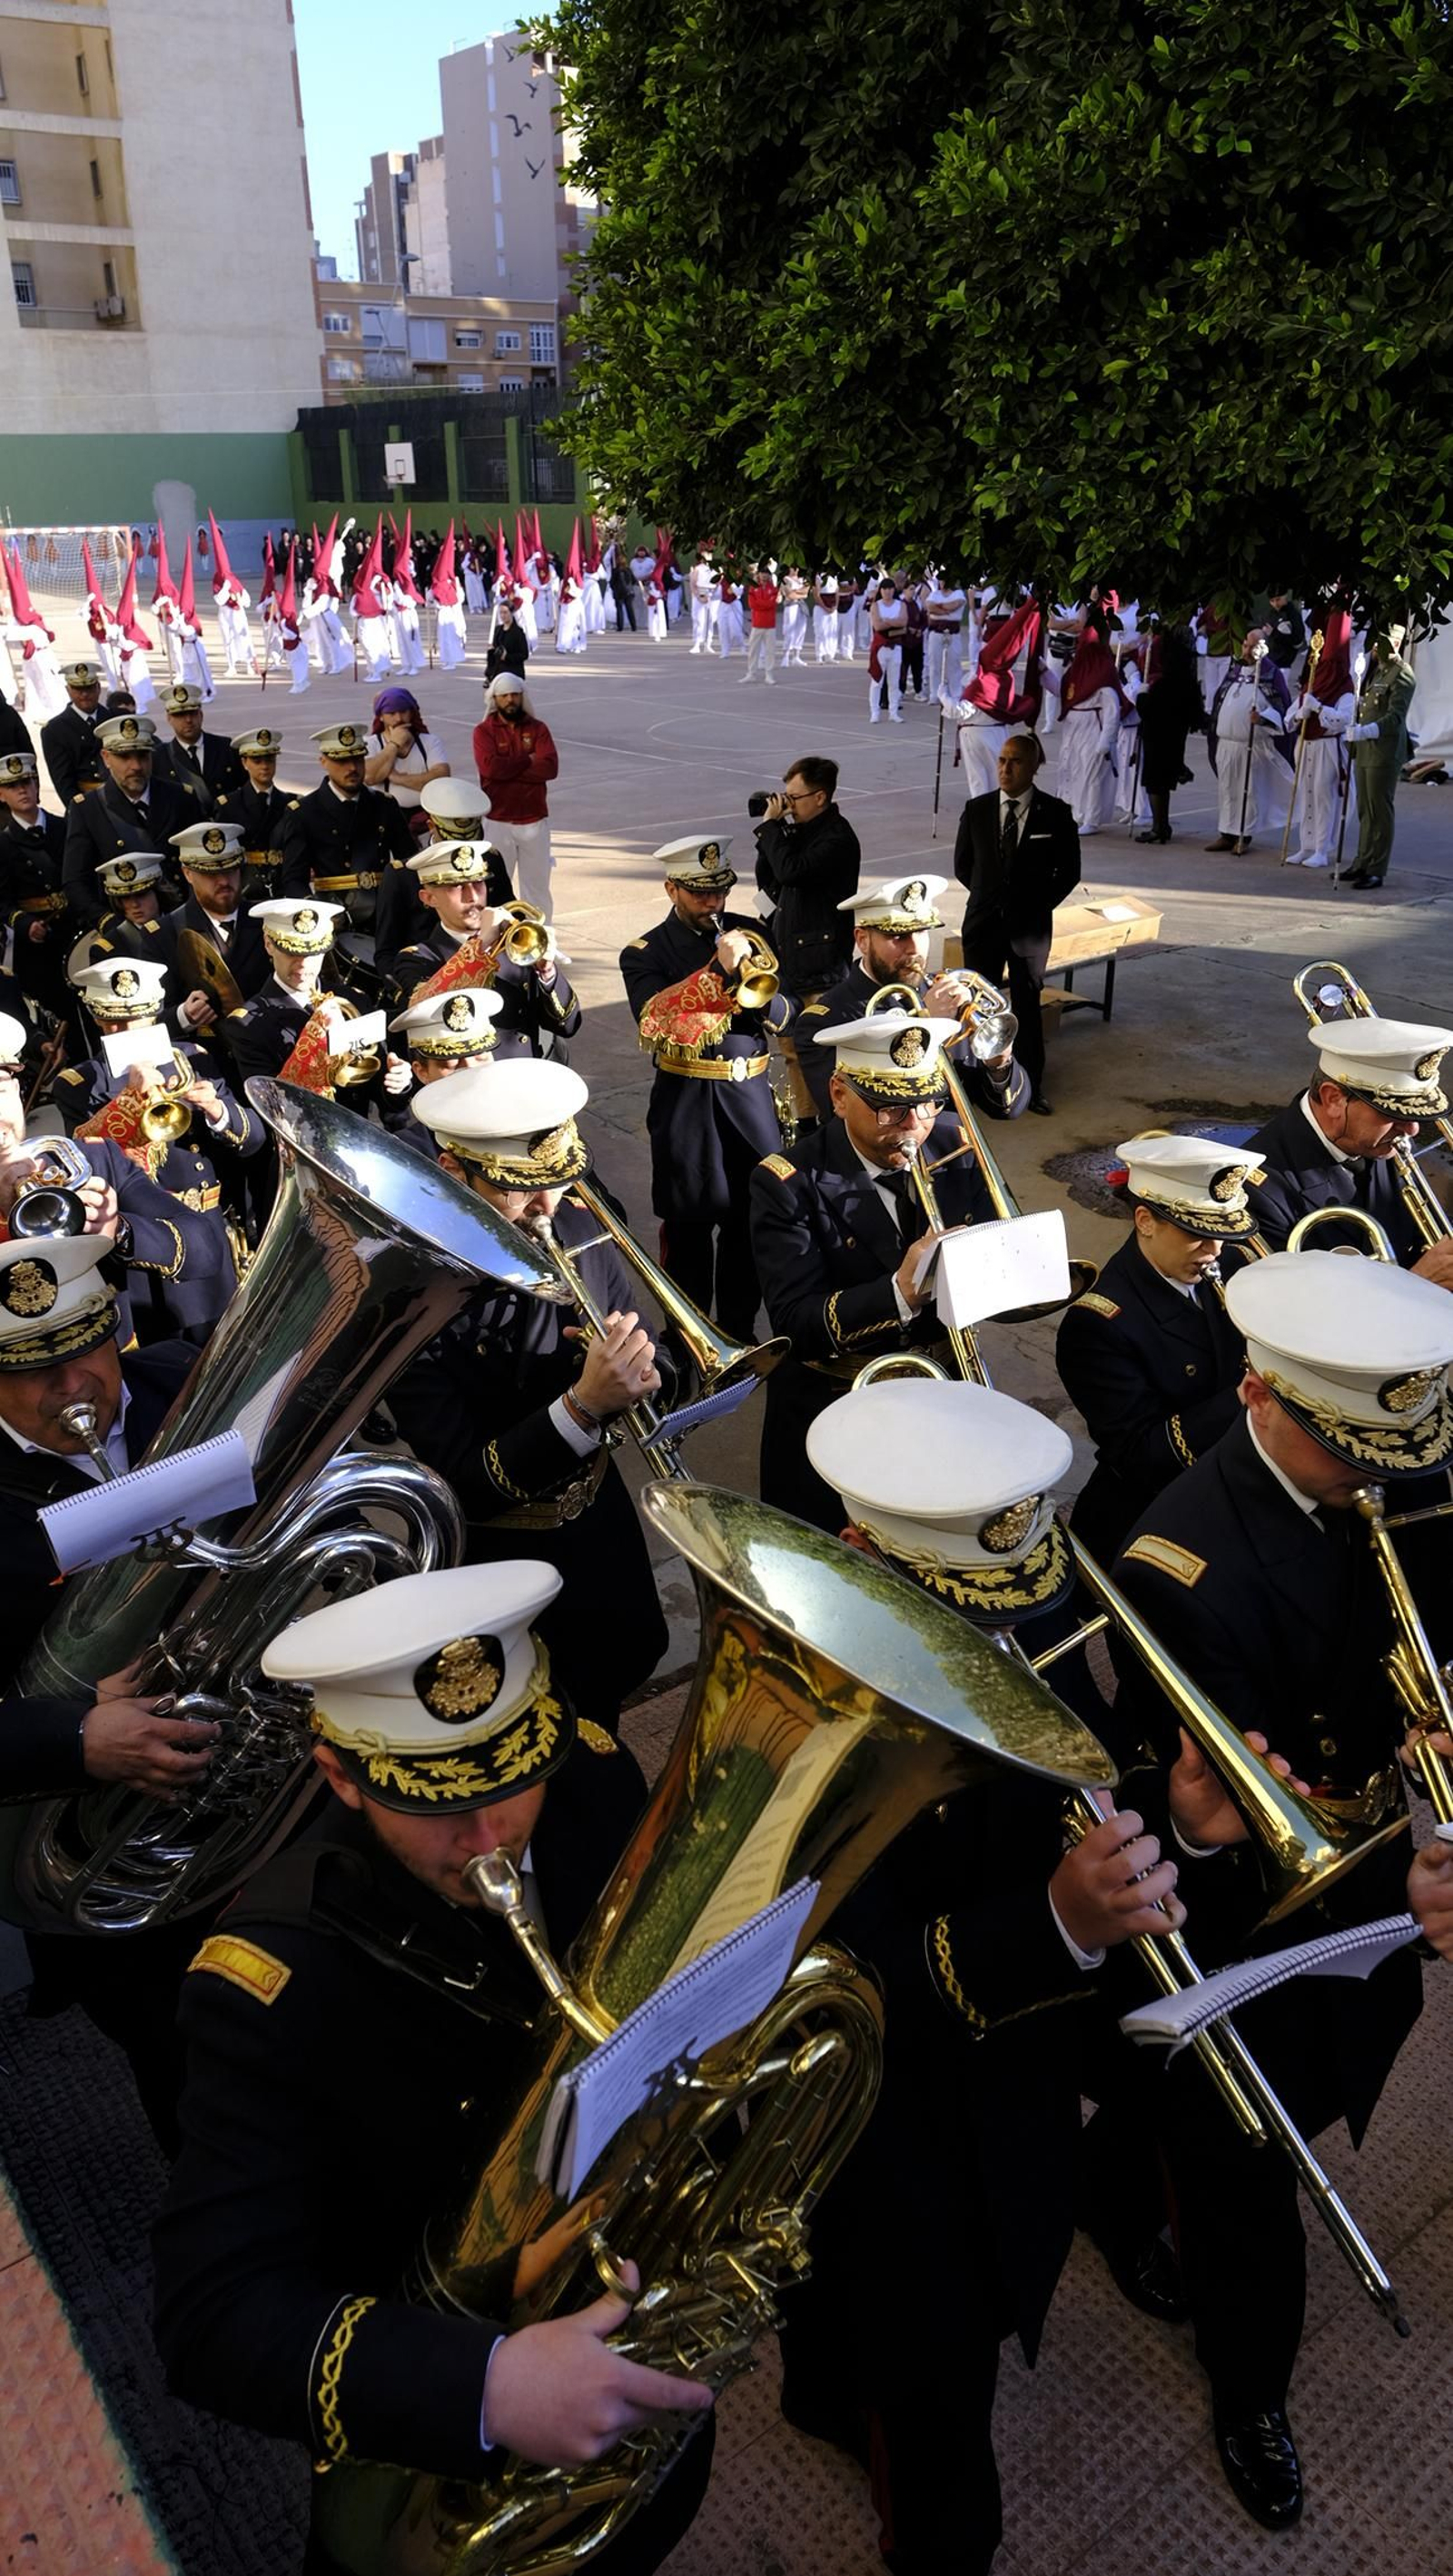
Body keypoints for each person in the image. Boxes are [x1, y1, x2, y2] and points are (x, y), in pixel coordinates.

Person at [153, 1563, 714, 2576]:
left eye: (511, 1780)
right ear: (339, 1776)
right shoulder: (273, 1978)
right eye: (439, 1802)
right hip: (440, 2448)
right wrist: (485, 2385)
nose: (490, 1835)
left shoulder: (590, 1785)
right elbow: (212, 2314)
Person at [781, 1372, 1187, 2576]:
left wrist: (1187, 1825)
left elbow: (1070, 1772)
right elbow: (818, 1980)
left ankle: (820, 2382)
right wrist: (1052, 1924)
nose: (998, 1640)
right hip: (886, 2123)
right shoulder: (805, 1711)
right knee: (935, 2412)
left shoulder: (998, 1616)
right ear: (861, 1549)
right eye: (963, 1607)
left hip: (1010, 2076)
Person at [1112, 1252, 1453, 2528]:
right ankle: (1249, 2385)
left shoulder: (1385, 1476)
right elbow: (1214, 1804)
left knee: (1306, 2086)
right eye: (1355, 1452)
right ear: (1265, 1395)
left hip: (1372, 1857)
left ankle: (1123, 2189)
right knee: (1246, 2147)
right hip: (1252, 1901)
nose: (1385, 1478)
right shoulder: (1180, 1560)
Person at [390, 1067, 670, 1732]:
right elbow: (465, 1482)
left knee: (620, 1664)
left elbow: (647, 1339)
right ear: (455, 1171)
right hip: (502, 1559)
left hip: (598, 1517)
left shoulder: (571, 1222)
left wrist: (650, 1371)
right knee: (527, 1715)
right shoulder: (411, 1293)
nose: (548, 1204)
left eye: (557, 1178)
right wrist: (580, 1407)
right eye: (519, 1188)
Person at [748, 1007, 995, 1529]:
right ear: (839, 1095)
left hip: (939, 1394)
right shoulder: (786, 1182)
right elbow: (795, 1322)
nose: (913, 1127)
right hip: (836, 1404)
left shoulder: (953, 1142)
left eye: (928, 1102)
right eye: (890, 1109)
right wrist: (900, 1291)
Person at [1056, 1136, 1260, 1564]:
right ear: (1145, 1220)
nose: (1214, 1249)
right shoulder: (1098, 1325)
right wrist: (1244, 1396)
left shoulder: (1227, 1265)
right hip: (1154, 1524)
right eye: (1196, 1233)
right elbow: (1141, 1455)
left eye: (1220, 1233)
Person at [620, 835, 792, 1343]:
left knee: (750, 1225)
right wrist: (718, 971)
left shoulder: (753, 934)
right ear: (672, 888)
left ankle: (738, 1329)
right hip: (687, 1105)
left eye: (720, 891)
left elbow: (787, 1015)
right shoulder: (645, 951)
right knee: (689, 1230)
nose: (713, 903)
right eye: (699, 893)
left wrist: (759, 991)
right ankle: (690, 1336)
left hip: (752, 1100)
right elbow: (655, 1021)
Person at [0, 1012, 227, 1352]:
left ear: (17, 1088)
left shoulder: (93, 1159)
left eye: (0, 1089)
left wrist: (118, 1230)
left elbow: (205, 1248)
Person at [56, 953, 260, 1325]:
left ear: (155, 1013)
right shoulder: (80, 1083)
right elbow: (87, 1161)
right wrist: (129, 1104)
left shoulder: (193, 1058)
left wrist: (216, 1110)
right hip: (145, 1243)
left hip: (207, 1229)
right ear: (99, 1018)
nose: (129, 1031)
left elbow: (253, 1140)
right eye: (116, 1023)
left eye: (140, 1019)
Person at [795, 873, 1030, 1124]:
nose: (915, 949)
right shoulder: (824, 1022)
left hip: (960, 1156)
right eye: (898, 936)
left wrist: (999, 1063)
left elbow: (1008, 1109)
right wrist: (924, 1025)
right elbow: (849, 1119)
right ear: (863, 941)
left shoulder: (952, 993)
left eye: (922, 932)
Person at [1244, 1016, 1453, 1285]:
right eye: (1393, 1114)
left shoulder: (1379, 1142)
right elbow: (1285, 1314)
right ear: (1333, 1099)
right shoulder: (1259, 1191)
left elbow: (1415, 1235)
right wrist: (1419, 1283)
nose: (1412, 1130)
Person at [954, 728, 1081, 1116]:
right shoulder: (977, 810)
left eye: (1016, 761)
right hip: (983, 928)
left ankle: (1030, 1086)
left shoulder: (1055, 813)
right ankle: (977, 1085)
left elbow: (1069, 871)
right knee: (977, 1008)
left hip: (1028, 933)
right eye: (1002, 760)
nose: (1005, 769)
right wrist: (990, 900)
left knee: (1026, 1007)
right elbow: (964, 867)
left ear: (1034, 767)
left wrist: (1036, 905)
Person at [385, 842, 578, 1062]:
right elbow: (424, 1005)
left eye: (478, 883)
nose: (472, 897)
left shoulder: (515, 943)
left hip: (523, 1073)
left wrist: (547, 973)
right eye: (456, 886)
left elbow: (568, 1025)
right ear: (428, 898)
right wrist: (481, 944)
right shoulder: (417, 958)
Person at [277, 721, 417, 939]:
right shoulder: (304, 812)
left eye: (357, 758)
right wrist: (317, 912)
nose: (352, 768)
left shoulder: (385, 805)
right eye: (341, 760)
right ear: (323, 761)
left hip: (385, 912)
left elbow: (409, 861)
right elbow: (293, 879)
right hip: (335, 915)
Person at [62, 713, 200, 923]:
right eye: (125, 757)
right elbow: (75, 880)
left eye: (143, 755)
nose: (136, 766)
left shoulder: (180, 797)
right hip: (125, 923)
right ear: (106, 758)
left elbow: (200, 862)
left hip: (181, 918)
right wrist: (105, 921)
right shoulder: (88, 809)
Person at [750, 755, 860, 1005]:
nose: (789, 804)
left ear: (820, 797)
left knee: (815, 1043)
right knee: (788, 1044)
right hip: (788, 961)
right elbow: (770, 878)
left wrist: (770, 829)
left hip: (820, 971)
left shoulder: (837, 838)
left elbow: (792, 872)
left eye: (794, 798)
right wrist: (774, 831)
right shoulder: (801, 832)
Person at [471, 674, 559, 918]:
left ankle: (542, 942)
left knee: (537, 888)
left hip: (535, 820)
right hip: (498, 821)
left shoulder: (538, 729)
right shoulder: (483, 732)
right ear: (495, 699)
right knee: (497, 886)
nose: (510, 700)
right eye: (505, 695)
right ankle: (497, 945)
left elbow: (550, 768)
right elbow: (490, 768)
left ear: (522, 696)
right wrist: (527, 759)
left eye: (515, 694)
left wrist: (507, 767)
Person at [0, 749, 72, 1026]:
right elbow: (2, 902)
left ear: (37, 785)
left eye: (27, 782)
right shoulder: (3, 844)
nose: (22, 790)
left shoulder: (65, 827)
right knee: (53, 1013)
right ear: (2, 795)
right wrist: (25, 923)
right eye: (12, 786)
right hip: (36, 944)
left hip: (73, 930)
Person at [384, 986, 502, 1153]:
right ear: (421, 1072)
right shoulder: (412, 1150)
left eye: (480, 1056)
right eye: (451, 1063)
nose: (470, 1069)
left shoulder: (531, 1119)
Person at [1344, 627, 1418, 888]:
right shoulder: (1377, 670)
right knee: (1365, 809)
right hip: (1365, 749)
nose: (1376, 648)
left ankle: (1376, 868)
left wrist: (1368, 731)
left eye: (1382, 644)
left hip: (1384, 751)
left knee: (1380, 811)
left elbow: (1396, 717)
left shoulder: (1403, 674)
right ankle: (1362, 861)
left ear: (1396, 644)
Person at [1204, 640, 1291, 854]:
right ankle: (1226, 833)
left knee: (1248, 792)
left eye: (1254, 645)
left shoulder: (1271, 676)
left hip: (1250, 746)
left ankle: (1244, 836)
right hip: (1226, 744)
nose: (1248, 649)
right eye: (1246, 644)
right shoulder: (1234, 672)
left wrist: (1261, 718)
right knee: (1227, 791)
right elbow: (1219, 702)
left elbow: (1282, 711)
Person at [1042, 628, 1129, 833]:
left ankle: (1092, 818)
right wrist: (1043, 673)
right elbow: (1062, 692)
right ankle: (1077, 813)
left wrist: (1106, 739)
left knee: (1092, 776)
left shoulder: (1103, 676)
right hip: (1075, 732)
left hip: (1093, 731)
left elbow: (1112, 709)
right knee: (1075, 773)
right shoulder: (1076, 674)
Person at [1130, 620, 1203, 845]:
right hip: (1175, 735)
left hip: (1158, 735)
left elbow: (1147, 710)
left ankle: (1159, 827)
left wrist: (1141, 695)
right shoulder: (1187, 680)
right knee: (1163, 781)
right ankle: (1163, 825)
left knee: (1155, 782)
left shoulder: (1165, 683)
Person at [215, 725, 301, 903]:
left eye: (269, 760)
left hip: (282, 885)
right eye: (257, 760)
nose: (264, 766)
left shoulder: (290, 804)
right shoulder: (229, 805)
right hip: (246, 887)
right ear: (244, 763)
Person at [363, 688, 450, 817]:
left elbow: (441, 779)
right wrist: (394, 745)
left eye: (403, 712)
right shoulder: (370, 744)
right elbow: (369, 777)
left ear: (411, 713)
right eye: (392, 713)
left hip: (425, 818)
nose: (399, 718)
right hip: (386, 818)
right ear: (381, 716)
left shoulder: (429, 742)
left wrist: (397, 778)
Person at [39, 659, 106, 806]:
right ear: (68, 690)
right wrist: (79, 810)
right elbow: (63, 780)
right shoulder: (55, 730)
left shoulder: (115, 718)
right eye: (77, 689)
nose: (84, 694)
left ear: (98, 687)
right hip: (86, 802)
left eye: (89, 688)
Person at [924, 571, 968, 706]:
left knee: (953, 662)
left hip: (952, 632)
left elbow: (956, 605)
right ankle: (934, 694)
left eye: (944, 581)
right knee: (934, 663)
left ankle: (956, 693)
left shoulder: (958, 594)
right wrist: (945, 610)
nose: (942, 584)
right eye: (940, 581)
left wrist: (939, 608)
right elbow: (929, 606)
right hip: (936, 631)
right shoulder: (934, 594)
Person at [867, 577, 907, 722]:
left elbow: (903, 622)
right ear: (881, 591)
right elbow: (878, 626)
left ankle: (894, 712)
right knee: (877, 681)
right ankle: (875, 712)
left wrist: (887, 622)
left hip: (896, 646)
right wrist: (893, 623)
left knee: (894, 682)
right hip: (880, 646)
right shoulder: (876, 606)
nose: (888, 592)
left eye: (890, 589)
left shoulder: (900, 605)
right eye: (884, 589)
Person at [740, 567, 779, 686]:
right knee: (753, 650)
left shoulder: (773, 589)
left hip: (770, 624)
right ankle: (751, 674)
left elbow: (773, 603)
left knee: (770, 651)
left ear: (769, 575)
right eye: (762, 573)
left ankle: (769, 674)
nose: (764, 576)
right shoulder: (753, 588)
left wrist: (763, 603)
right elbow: (753, 604)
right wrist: (765, 604)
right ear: (759, 574)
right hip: (757, 624)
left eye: (766, 574)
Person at [484, 602, 530, 686]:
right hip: (498, 672)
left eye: (505, 612)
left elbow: (524, 654)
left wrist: (507, 657)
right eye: (501, 613)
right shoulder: (498, 630)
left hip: (513, 672)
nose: (503, 615)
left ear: (511, 613)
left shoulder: (518, 632)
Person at [779, 567, 810, 666]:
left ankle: (796, 656)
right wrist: (799, 592)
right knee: (789, 631)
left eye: (797, 568)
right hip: (791, 606)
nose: (795, 570)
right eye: (793, 568)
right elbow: (789, 595)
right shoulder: (785, 579)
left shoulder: (803, 579)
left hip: (801, 606)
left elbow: (806, 593)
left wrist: (796, 592)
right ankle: (786, 656)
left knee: (801, 631)